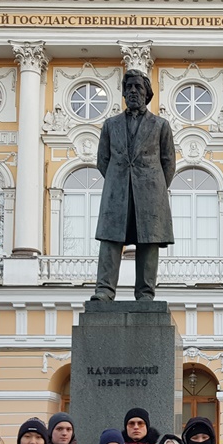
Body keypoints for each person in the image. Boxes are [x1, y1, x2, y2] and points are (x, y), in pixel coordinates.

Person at [91, 69, 176, 301]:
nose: (132, 92)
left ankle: (146, 293)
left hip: (149, 193)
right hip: (117, 192)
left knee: (148, 242)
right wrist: (118, 181)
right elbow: (103, 160)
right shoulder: (111, 125)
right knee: (110, 240)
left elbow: (168, 163)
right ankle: (104, 291)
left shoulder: (161, 125)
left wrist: (154, 188)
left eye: (138, 87)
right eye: (128, 88)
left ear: (147, 93)